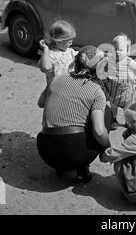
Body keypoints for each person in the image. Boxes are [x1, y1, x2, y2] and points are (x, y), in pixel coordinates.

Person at [37, 45, 111, 183]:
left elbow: (41, 103)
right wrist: (107, 147)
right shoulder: (96, 91)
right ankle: (82, 170)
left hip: (46, 151)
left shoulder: (56, 79)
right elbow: (99, 131)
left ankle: (61, 168)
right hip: (76, 153)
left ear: (75, 62)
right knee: (105, 112)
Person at [95, 33, 136, 130]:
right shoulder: (109, 60)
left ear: (128, 51)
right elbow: (101, 68)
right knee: (113, 107)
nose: (117, 52)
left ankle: (128, 122)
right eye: (115, 49)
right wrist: (100, 75)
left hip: (126, 92)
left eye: (120, 50)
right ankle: (113, 119)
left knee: (128, 109)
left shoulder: (129, 62)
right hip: (113, 90)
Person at [37, 20, 78, 108]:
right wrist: (46, 50)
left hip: (68, 91)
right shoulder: (50, 55)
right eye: (69, 41)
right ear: (59, 41)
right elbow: (45, 67)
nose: (71, 43)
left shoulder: (70, 51)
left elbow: (82, 55)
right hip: (54, 92)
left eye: (72, 40)